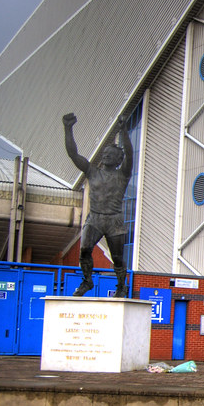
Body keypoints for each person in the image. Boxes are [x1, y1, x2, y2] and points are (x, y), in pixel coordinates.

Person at [63, 112, 133, 298]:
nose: (107, 156)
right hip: (95, 218)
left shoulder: (123, 174)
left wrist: (124, 130)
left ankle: (121, 286)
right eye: (105, 153)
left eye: (112, 154)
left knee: (117, 258)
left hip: (114, 220)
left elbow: (129, 153)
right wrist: (68, 129)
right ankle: (87, 281)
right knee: (84, 250)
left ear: (118, 160)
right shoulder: (92, 171)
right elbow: (73, 154)